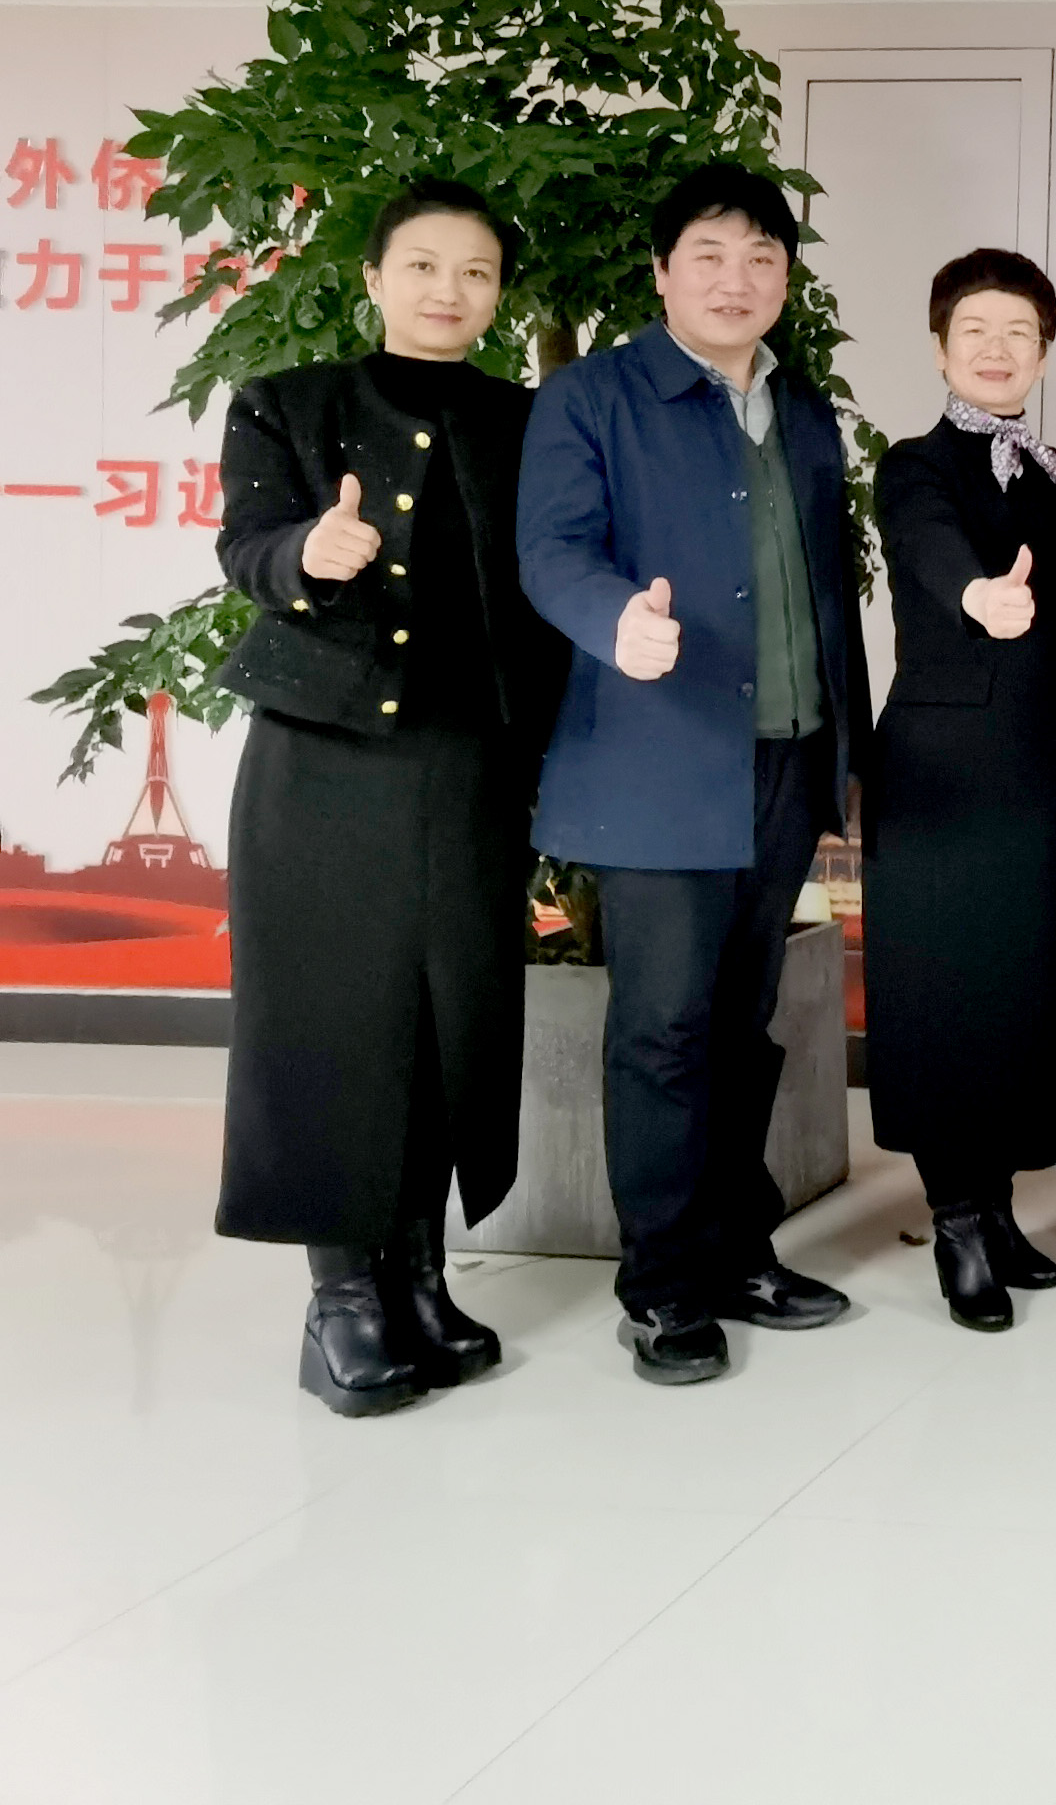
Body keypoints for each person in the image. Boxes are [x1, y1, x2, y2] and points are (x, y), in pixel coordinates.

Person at [210, 178, 569, 1413]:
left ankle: (419, 1275)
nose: (448, 290)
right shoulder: (287, 402)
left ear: (498, 294)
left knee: (445, 1021)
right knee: (331, 1022)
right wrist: (307, 553)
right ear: (372, 279)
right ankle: (342, 1302)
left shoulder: (532, 422)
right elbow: (246, 544)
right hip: (322, 766)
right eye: (422, 265)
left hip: (471, 766)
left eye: (475, 271)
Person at [519, 162, 868, 1388]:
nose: (737, 279)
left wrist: (846, 750)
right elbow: (551, 549)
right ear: (662, 272)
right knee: (663, 1029)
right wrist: (615, 619)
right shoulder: (591, 397)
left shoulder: (803, 407)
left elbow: (830, 588)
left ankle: (737, 1250)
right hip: (658, 763)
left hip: (785, 757)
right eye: (710, 255)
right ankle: (663, 1288)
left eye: (762, 257)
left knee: (740, 1023)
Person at [863, 249, 1056, 1333]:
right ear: (940, 348)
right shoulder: (913, 464)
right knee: (946, 995)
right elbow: (928, 547)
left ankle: (1002, 1209)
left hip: (1041, 762)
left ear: (1044, 353)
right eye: (974, 329)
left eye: (1019, 331)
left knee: (1020, 991)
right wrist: (978, 594)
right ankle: (957, 1222)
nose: (997, 348)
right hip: (944, 767)